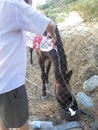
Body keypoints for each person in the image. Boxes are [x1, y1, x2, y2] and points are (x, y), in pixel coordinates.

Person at [0, 0, 56, 130]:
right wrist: (52, 34)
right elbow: (50, 25)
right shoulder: (13, 4)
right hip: (9, 83)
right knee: (22, 125)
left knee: (3, 119)